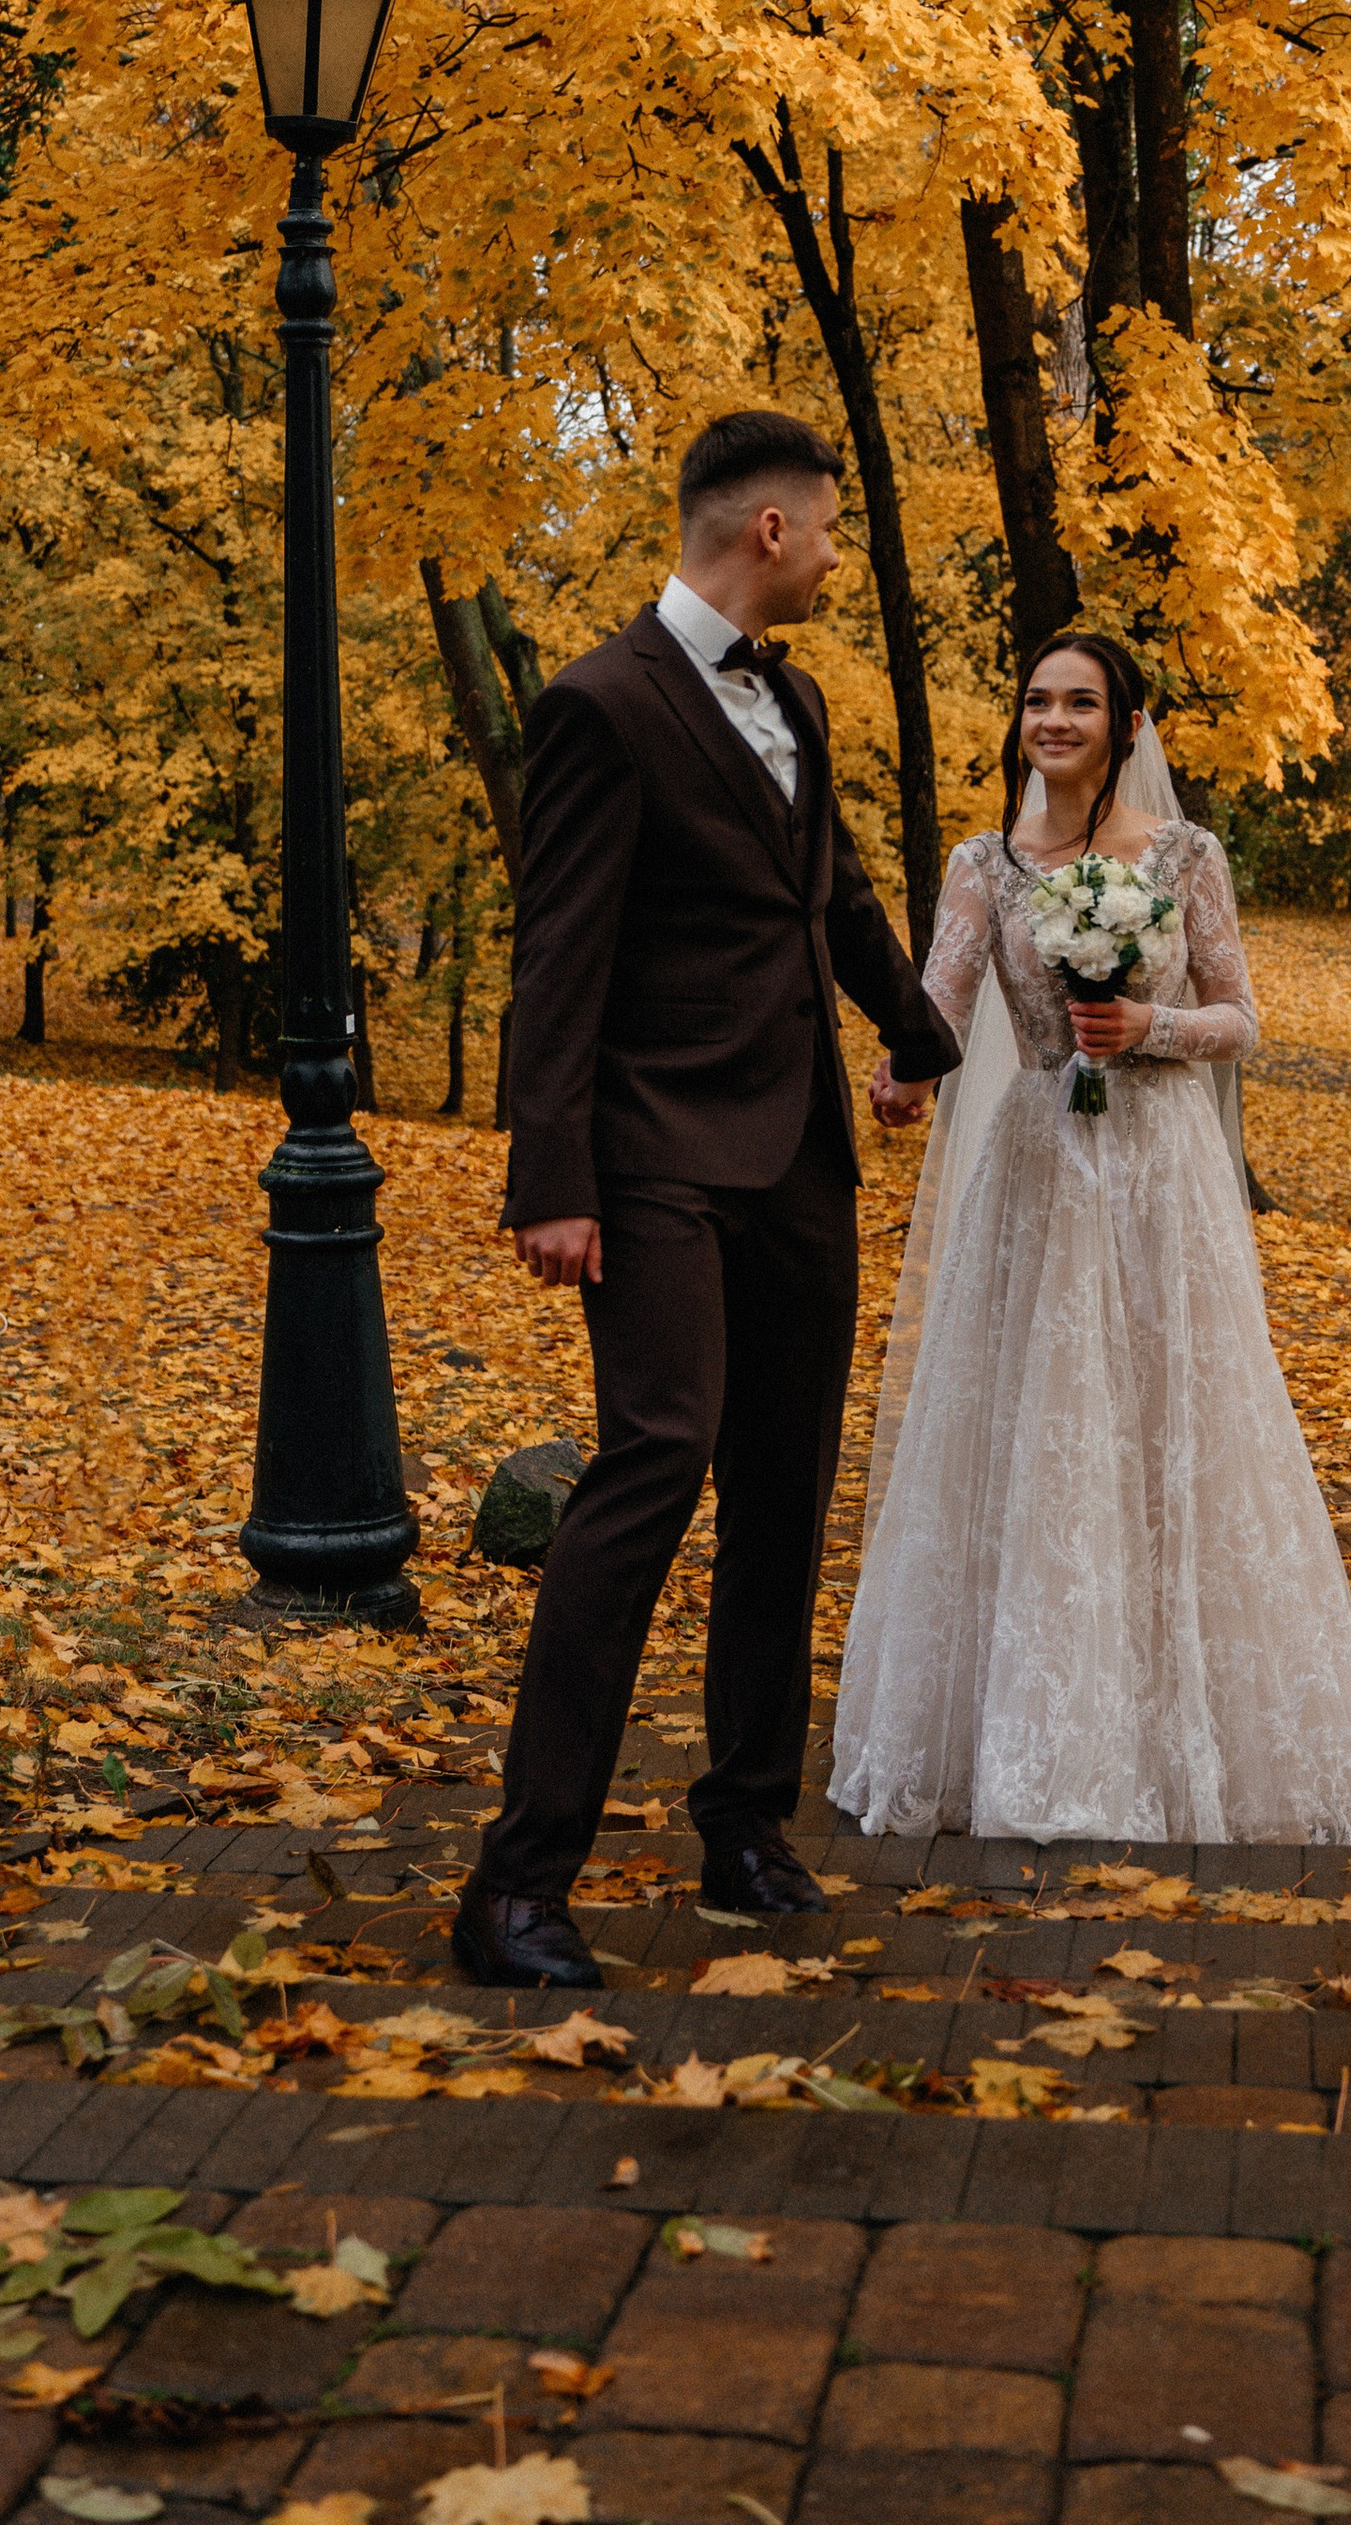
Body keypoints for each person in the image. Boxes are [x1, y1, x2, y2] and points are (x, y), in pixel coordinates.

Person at [455, 408, 964, 1990]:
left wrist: (920, 1033)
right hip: (657, 1154)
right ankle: (517, 1885)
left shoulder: (796, 700)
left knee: (785, 1496)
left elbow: (843, 895)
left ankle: (746, 1830)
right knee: (655, 1462)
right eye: (826, 528)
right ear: (765, 531)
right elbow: (561, 960)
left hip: (800, 1155)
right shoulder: (599, 707)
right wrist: (554, 1179)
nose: (833, 554)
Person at [832, 630, 1351, 1847]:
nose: (1051, 719)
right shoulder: (983, 863)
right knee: (1037, 1423)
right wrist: (900, 1068)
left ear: (1124, 723)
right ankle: (1035, 1727)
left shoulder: (1187, 855)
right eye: (1036, 699)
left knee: (1164, 1421)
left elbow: (1240, 1020)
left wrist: (1146, 1025)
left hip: (1160, 1169)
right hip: (1038, 1163)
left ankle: (1175, 1715)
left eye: (1077, 702)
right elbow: (938, 1000)